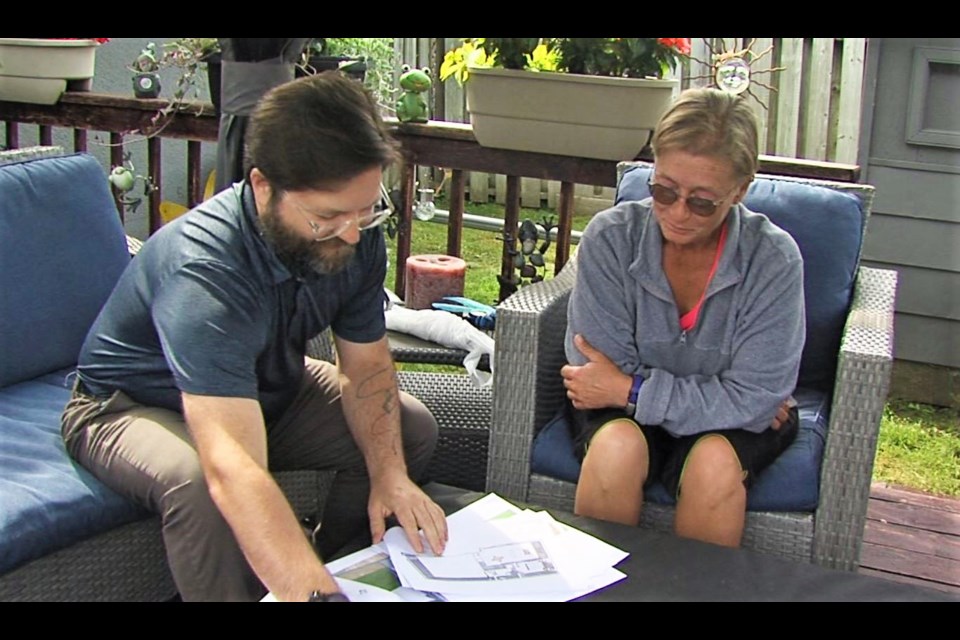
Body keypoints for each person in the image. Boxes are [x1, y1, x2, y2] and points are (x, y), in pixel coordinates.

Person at [61, 72, 448, 602]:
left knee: (409, 430)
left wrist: (390, 475)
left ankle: (339, 565)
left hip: (260, 384)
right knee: (197, 483)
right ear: (264, 186)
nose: (354, 233)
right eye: (329, 217)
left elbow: (367, 367)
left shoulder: (356, 235)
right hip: (128, 406)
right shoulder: (206, 271)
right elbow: (232, 466)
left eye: (366, 210)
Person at [560, 87, 804, 548]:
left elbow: (754, 397)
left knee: (713, 468)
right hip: (636, 415)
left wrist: (629, 388)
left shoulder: (773, 259)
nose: (676, 213)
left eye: (701, 202)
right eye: (664, 190)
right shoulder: (611, 238)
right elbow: (594, 370)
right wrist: (723, 393)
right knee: (616, 452)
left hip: (721, 427)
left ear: (740, 190)